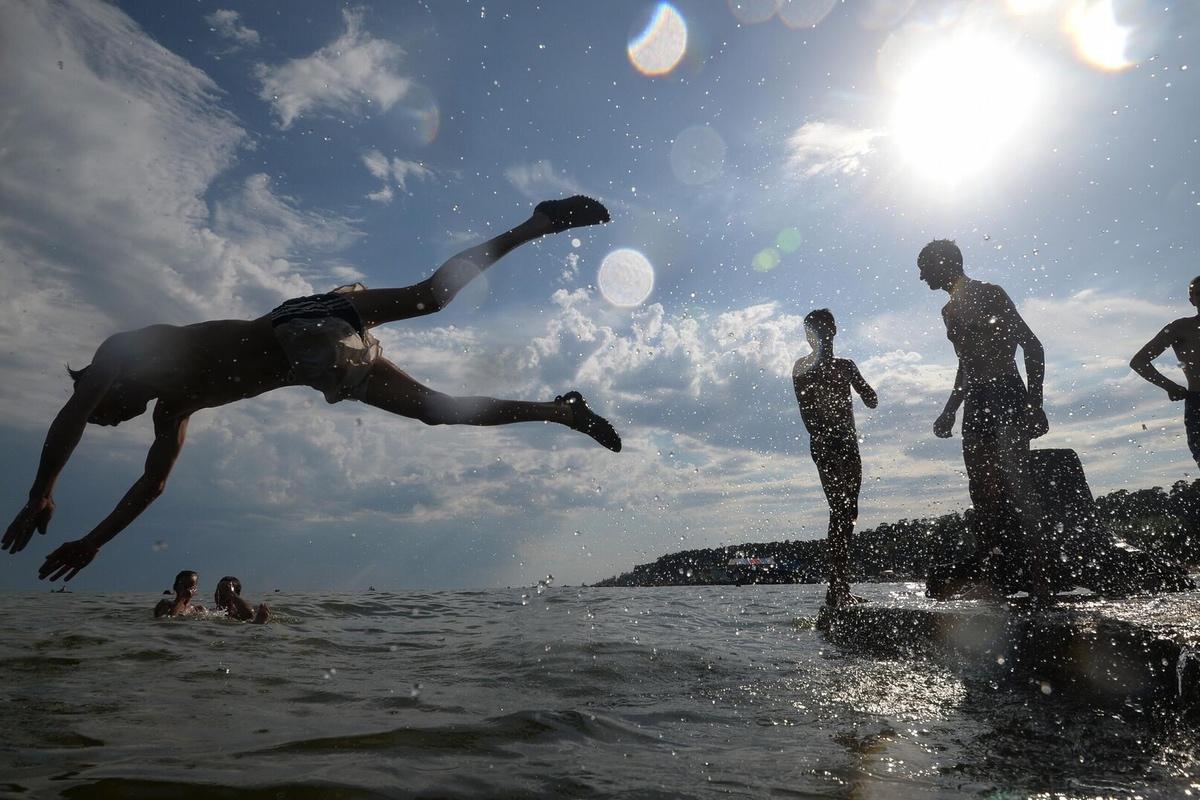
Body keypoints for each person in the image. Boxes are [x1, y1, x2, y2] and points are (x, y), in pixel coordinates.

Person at [3, 196, 620, 582]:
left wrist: (41, 494)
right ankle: (561, 412)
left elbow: (72, 417)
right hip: (315, 370)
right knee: (435, 412)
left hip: (298, 325)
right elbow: (152, 484)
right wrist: (93, 542)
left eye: (108, 417)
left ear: (100, 388)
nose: (114, 421)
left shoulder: (130, 350)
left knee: (428, 297)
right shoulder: (175, 408)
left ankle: (538, 221)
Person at [918, 239, 1051, 599]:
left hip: (1007, 393)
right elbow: (966, 364)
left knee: (1019, 487)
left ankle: (1041, 580)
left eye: (924, 267)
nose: (920, 277)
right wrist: (951, 408)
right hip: (976, 401)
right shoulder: (947, 312)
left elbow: (1032, 345)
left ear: (945, 263)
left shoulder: (991, 293)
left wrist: (1034, 403)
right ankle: (996, 571)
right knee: (982, 492)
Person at [792, 309, 877, 607]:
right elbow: (807, 413)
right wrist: (825, 438)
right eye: (810, 330)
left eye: (819, 329)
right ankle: (837, 587)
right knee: (839, 509)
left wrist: (859, 383)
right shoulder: (802, 367)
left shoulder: (846, 366)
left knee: (849, 512)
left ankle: (839, 586)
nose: (814, 335)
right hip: (826, 444)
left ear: (833, 331)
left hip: (849, 444)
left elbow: (872, 399)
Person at [1130, 276, 1200, 469]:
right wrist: (1170, 386)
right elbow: (1139, 361)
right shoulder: (1181, 328)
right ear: (1191, 300)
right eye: (1198, 294)